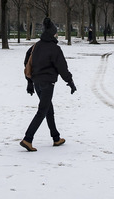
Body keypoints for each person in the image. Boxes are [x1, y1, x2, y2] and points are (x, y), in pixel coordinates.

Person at [20, 17, 77, 152]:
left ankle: (56, 138)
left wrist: (29, 83)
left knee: (48, 109)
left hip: (37, 83)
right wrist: (70, 82)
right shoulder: (54, 49)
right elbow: (62, 68)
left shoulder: (35, 46)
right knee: (42, 111)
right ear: (52, 33)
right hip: (47, 83)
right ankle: (27, 139)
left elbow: (27, 63)